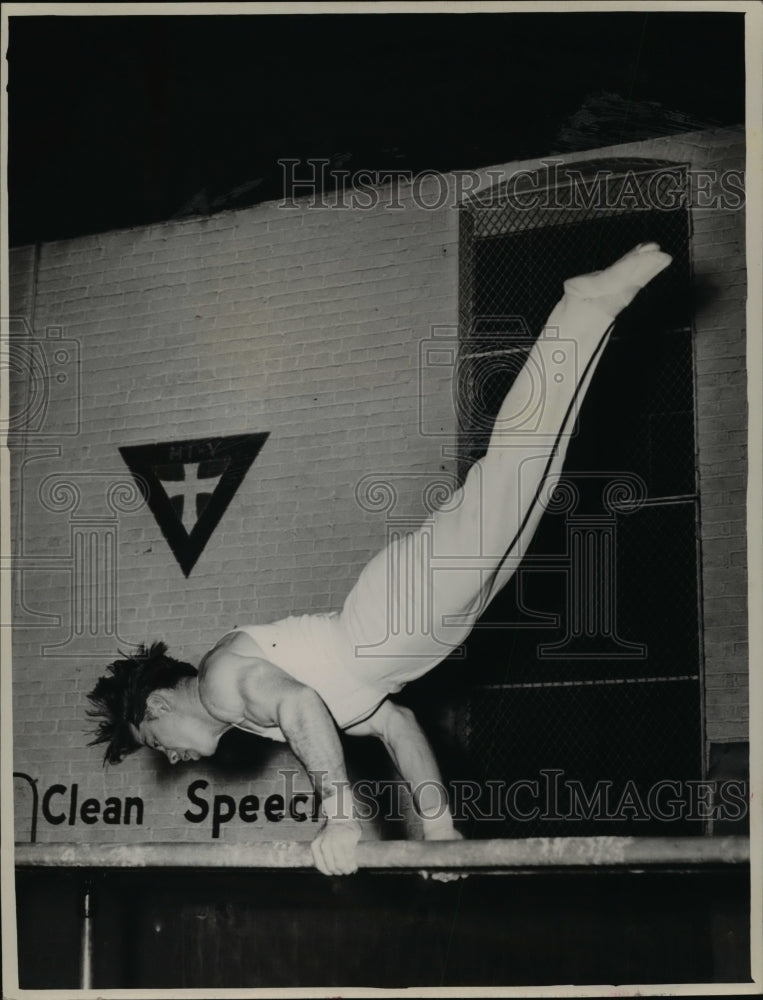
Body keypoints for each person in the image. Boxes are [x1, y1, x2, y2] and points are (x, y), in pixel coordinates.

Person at [87, 242, 672, 875]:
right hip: (410, 640)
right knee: (535, 476)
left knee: (512, 475)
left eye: (155, 744)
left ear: (160, 706)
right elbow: (396, 724)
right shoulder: (256, 719)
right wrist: (439, 829)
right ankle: (595, 316)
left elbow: (303, 708)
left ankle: (584, 307)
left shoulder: (222, 683)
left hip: (391, 620)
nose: (170, 761)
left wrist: (340, 819)